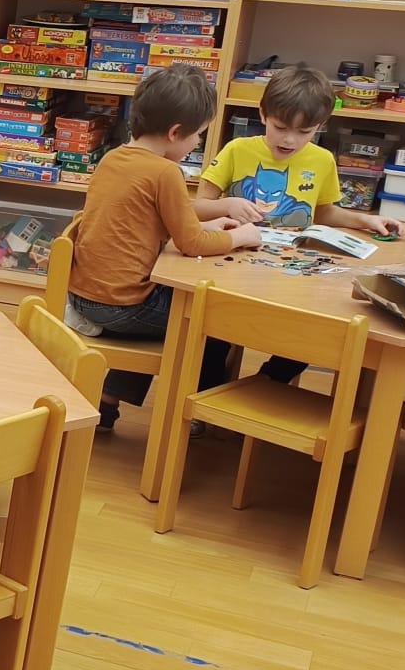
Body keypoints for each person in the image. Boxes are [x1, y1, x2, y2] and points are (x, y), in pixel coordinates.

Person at [62, 64, 285, 431]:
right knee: (212, 321)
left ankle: (107, 402)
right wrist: (241, 237)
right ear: (174, 133)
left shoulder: (113, 157)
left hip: (84, 297)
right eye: (198, 135)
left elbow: (151, 220)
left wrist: (212, 221)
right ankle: (200, 413)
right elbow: (191, 243)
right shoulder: (166, 172)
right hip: (122, 306)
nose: (197, 143)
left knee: (172, 298)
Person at [199, 65, 403, 237]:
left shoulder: (323, 160)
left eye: (304, 131)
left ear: (320, 125)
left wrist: (366, 220)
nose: (289, 140)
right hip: (237, 249)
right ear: (263, 114)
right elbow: (196, 208)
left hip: (292, 258)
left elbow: (323, 212)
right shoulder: (237, 150)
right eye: (280, 127)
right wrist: (227, 205)